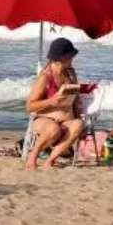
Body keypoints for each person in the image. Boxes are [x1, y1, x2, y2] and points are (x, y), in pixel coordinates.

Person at [25, 37, 89, 170]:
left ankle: (51, 160)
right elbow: (30, 106)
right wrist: (52, 101)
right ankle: (33, 155)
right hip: (45, 119)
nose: (73, 59)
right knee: (54, 129)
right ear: (62, 58)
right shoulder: (45, 77)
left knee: (79, 124)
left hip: (66, 120)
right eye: (71, 56)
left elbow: (75, 101)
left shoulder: (71, 74)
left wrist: (78, 116)